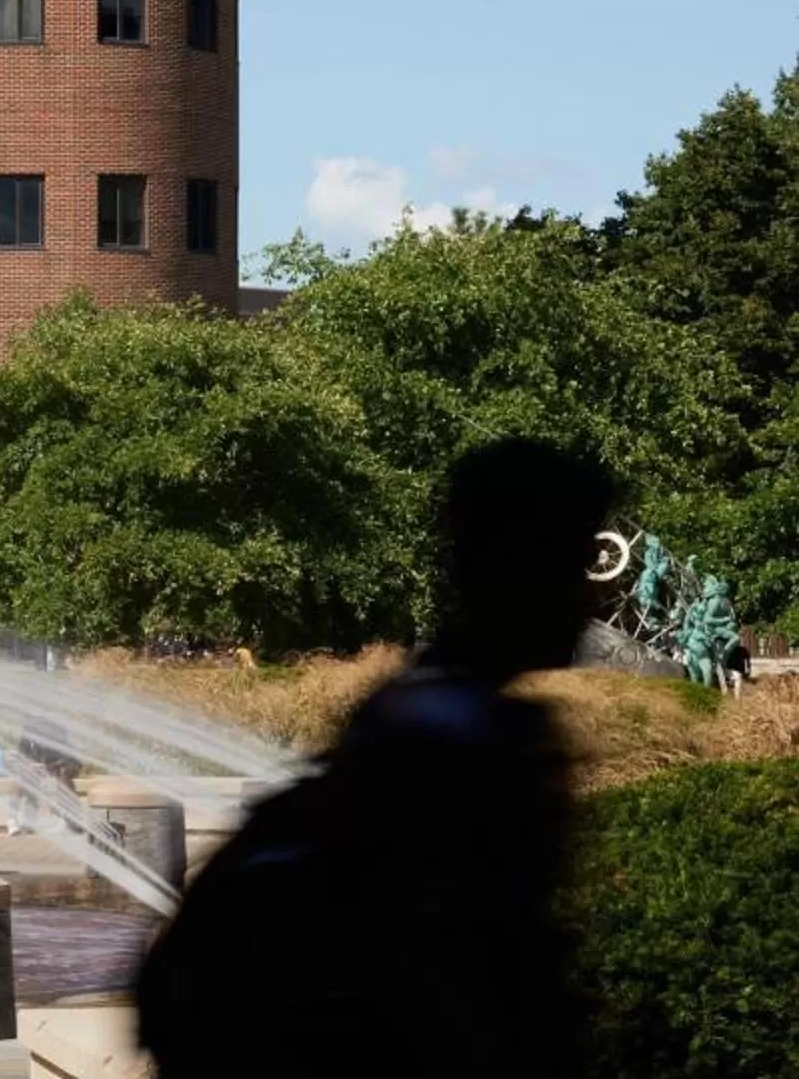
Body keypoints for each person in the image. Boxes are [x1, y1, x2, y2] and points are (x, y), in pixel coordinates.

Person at [138, 436, 611, 1079]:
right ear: (521, 566)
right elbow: (443, 988)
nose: (589, 601)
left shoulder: (413, 708)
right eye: (575, 566)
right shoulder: (456, 740)